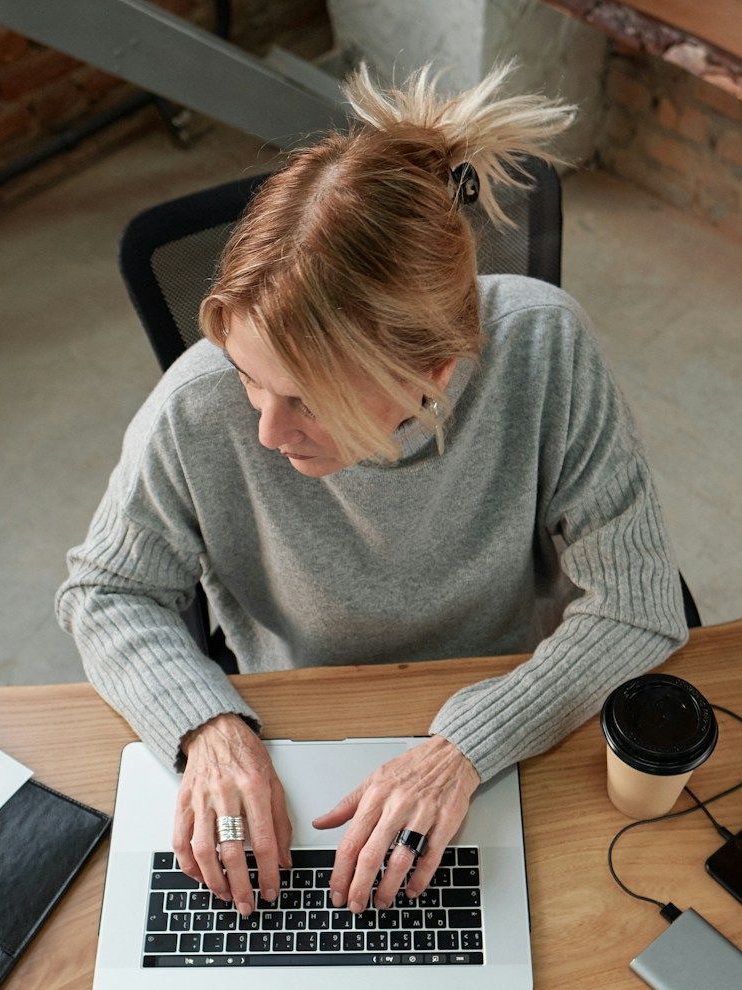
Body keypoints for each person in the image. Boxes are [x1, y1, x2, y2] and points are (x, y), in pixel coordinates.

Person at [56, 62, 688, 923]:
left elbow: (639, 603)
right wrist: (208, 729)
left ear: (431, 370)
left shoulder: (544, 348)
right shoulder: (199, 402)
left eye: (306, 399)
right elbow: (106, 590)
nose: (267, 433)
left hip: (510, 707)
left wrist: (463, 747)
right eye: (251, 380)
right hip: (293, 734)